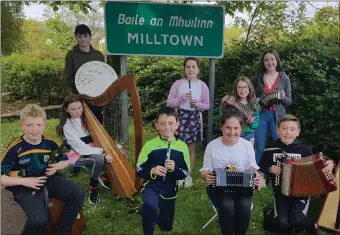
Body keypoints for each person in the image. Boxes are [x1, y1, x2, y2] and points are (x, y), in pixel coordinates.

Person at [1, 104, 85, 235]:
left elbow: (65, 160)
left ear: (45, 124)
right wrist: (26, 182)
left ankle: (61, 231)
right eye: (29, 125)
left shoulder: (50, 143)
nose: (34, 129)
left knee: (78, 194)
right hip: (24, 184)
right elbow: (2, 178)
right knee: (38, 220)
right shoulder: (15, 148)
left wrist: (58, 166)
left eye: (38, 125)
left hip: (46, 178)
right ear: (21, 124)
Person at [259, 114, 335, 234]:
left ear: (298, 132)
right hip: (280, 193)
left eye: (292, 129)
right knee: (283, 223)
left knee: (297, 220)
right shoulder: (270, 150)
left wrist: (330, 162)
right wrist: (270, 169)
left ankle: (312, 226)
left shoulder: (305, 150)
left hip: (302, 194)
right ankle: (269, 213)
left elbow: (322, 160)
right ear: (277, 130)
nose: (288, 132)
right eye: (284, 128)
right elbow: (262, 169)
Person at [200, 109, 262, 235]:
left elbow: (253, 170)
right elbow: (204, 171)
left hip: (242, 187)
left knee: (244, 207)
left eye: (236, 128)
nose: (232, 132)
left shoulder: (247, 146)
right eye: (228, 128)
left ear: (241, 129)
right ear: (221, 127)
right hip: (218, 187)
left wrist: (258, 178)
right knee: (227, 206)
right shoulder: (212, 146)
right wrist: (206, 176)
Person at [136, 107, 190, 235]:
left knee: (166, 227)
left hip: (170, 189)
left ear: (177, 124)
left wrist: (174, 169)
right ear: (156, 125)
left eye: (170, 123)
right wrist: (152, 170)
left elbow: (184, 172)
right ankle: (148, 216)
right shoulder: (150, 145)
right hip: (152, 186)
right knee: (149, 206)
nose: (166, 127)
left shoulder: (182, 147)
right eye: (162, 123)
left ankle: (151, 214)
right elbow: (139, 169)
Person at [56, 95, 113, 204]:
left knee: (119, 151)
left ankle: (104, 175)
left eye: (79, 108)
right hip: (78, 153)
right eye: (73, 109)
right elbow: (81, 148)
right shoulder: (67, 127)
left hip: (93, 148)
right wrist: (104, 152)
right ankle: (93, 188)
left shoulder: (87, 119)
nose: (77, 112)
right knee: (99, 159)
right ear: (66, 109)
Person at [167, 57, 210, 187]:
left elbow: (207, 105)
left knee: (191, 148)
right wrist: (181, 98)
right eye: (188, 67)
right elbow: (169, 102)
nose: (191, 69)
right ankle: (178, 175)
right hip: (179, 118)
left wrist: (197, 104)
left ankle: (188, 176)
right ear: (184, 69)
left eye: (193, 67)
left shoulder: (202, 85)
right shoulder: (178, 84)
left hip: (194, 118)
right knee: (178, 147)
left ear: (198, 70)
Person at [252, 49, 292, 163]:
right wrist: (256, 102)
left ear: (277, 60)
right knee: (259, 148)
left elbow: (289, 101)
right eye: (266, 60)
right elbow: (249, 97)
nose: (270, 62)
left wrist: (283, 97)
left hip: (278, 117)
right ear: (263, 62)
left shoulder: (284, 78)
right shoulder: (257, 78)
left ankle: (282, 175)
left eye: (272, 59)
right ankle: (257, 175)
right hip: (261, 115)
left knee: (281, 146)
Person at [64, 24, 105, 124]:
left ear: (90, 37)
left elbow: (103, 76)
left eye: (85, 36)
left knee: (97, 125)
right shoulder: (71, 55)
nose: (82, 39)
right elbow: (68, 79)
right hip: (79, 99)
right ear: (76, 38)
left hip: (97, 98)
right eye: (79, 36)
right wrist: (84, 81)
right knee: (81, 125)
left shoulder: (98, 55)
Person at [220, 76, 259, 146]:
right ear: (236, 89)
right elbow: (222, 118)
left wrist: (252, 122)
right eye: (239, 87)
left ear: (249, 88)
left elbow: (256, 124)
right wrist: (223, 105)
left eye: (245, 87)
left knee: (246, 155)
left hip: (248, 135)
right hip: (233, 134)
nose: (242, 90)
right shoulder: (230, 103)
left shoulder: (254, 106)